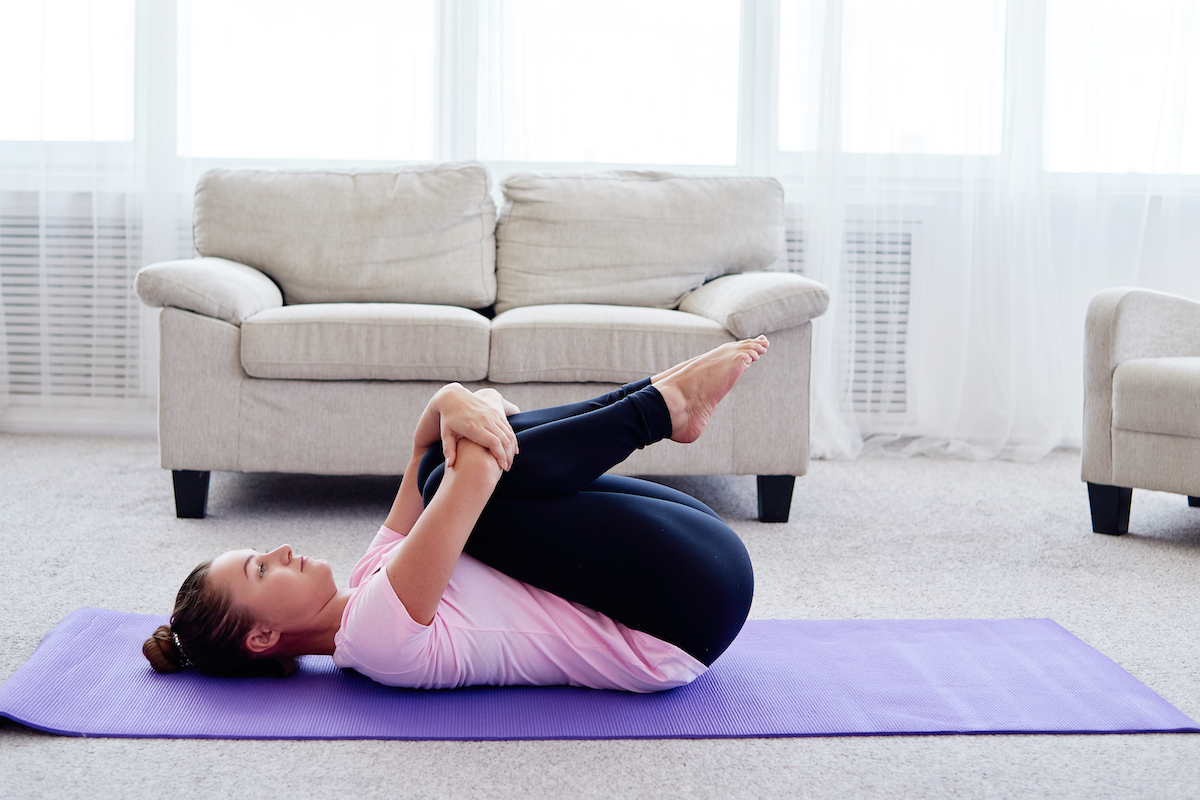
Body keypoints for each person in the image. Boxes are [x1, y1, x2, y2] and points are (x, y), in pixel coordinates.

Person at [143, 337, 768, 692]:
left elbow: (424, 448)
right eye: (259, 571)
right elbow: (470, 474)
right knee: (458, 486)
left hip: (687, 549)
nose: (278, 551)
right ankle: (658, 405)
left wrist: (453, 401)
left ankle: (659, 402)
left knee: (440, 473)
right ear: (262, 639)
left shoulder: (370, 579)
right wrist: (471, 405)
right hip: (679, 616)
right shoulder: (372, 639)